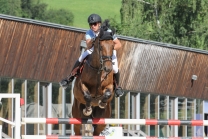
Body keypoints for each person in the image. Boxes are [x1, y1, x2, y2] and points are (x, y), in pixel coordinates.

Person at [60, 13, 124, 97]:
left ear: (99, 24)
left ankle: (117, 87)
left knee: (115, 69)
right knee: (81, 58)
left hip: (108, 52)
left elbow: (119, 44)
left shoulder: (108, 31)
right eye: (91, 24)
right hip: (93, 50)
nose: (93, 26)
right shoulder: (89, 33)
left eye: (95, 24)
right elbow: (89, 45)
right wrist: (94, 39)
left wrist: (108, 50)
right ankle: (70, 78)